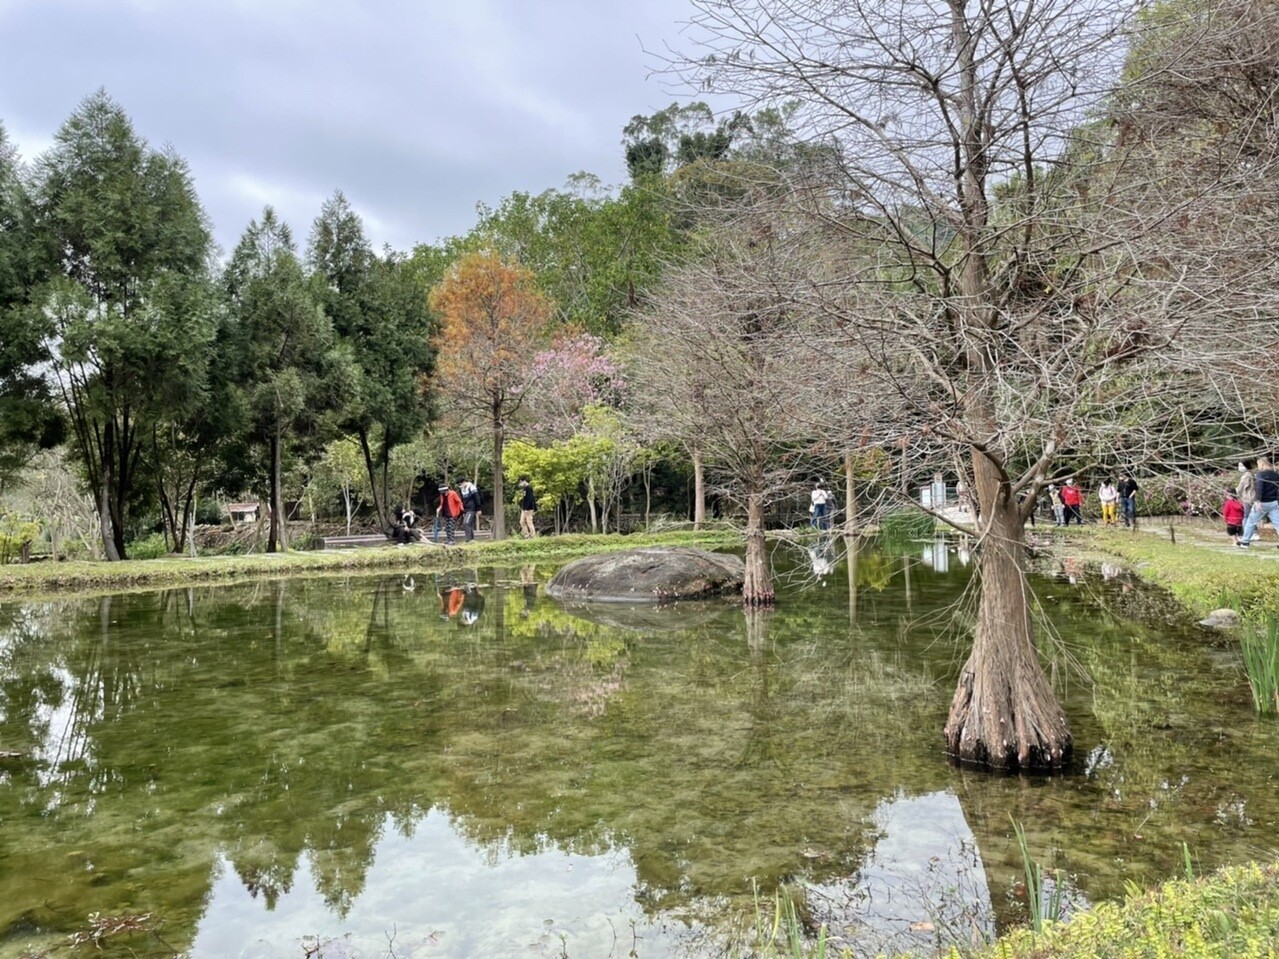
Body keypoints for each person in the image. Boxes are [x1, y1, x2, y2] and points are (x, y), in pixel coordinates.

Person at [1238, 456, 1279, 548]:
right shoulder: (1276, 475)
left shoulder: (1261, 475)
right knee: (1278, 523)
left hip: (1262, 503)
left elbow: (1259, 488)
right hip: (1273, 502)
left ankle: (1245, 542)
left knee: (1251, 521)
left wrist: (1258, 500)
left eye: (1259, 465)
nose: (1258, 467)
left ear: (1263, 464)